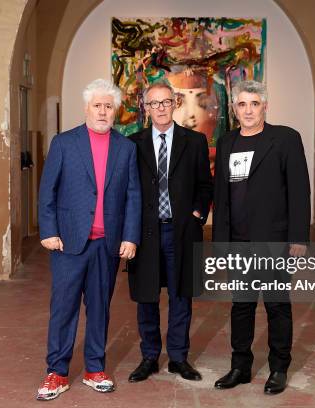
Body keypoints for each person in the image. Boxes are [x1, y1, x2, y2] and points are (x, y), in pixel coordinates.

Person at [36, 78, 141, 401]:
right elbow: (47, 191)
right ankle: (57, 372)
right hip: (68, 242)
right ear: (86, 108)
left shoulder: (126, 148)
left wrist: (130, 236)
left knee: (99, 309)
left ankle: (95, 368)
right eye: (97, 105)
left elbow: (133, 195)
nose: (103, 111)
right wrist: (49, 230)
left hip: (106, 245)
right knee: (63, 308)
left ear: (116, 112)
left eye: (109, 106)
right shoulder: (64, 143)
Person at [212, 80, 311, 395]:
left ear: (264, 106)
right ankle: (240, 366)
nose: (248, 110)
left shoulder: (284, 139)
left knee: (277, 306)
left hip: (273, 240)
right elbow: (222, 196)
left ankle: (279, 367)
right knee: (240, 306)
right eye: (242, 104)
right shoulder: (227, 142)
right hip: (238, 242)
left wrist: (298, 237)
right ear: (235, 109)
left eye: (254, 103)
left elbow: (299, 191)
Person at [127, 82, 213, 383]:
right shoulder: (133, 144)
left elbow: (205, 185)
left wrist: (196, 216)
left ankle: (178, 358)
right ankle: (149, 357)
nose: (161, 108)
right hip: (145, 233)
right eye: (154, 103)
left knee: (181, 296)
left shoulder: (195, 141)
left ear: (174, 103)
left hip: (181, 232)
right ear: (146, 108)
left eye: (165, 102)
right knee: (146, 296)